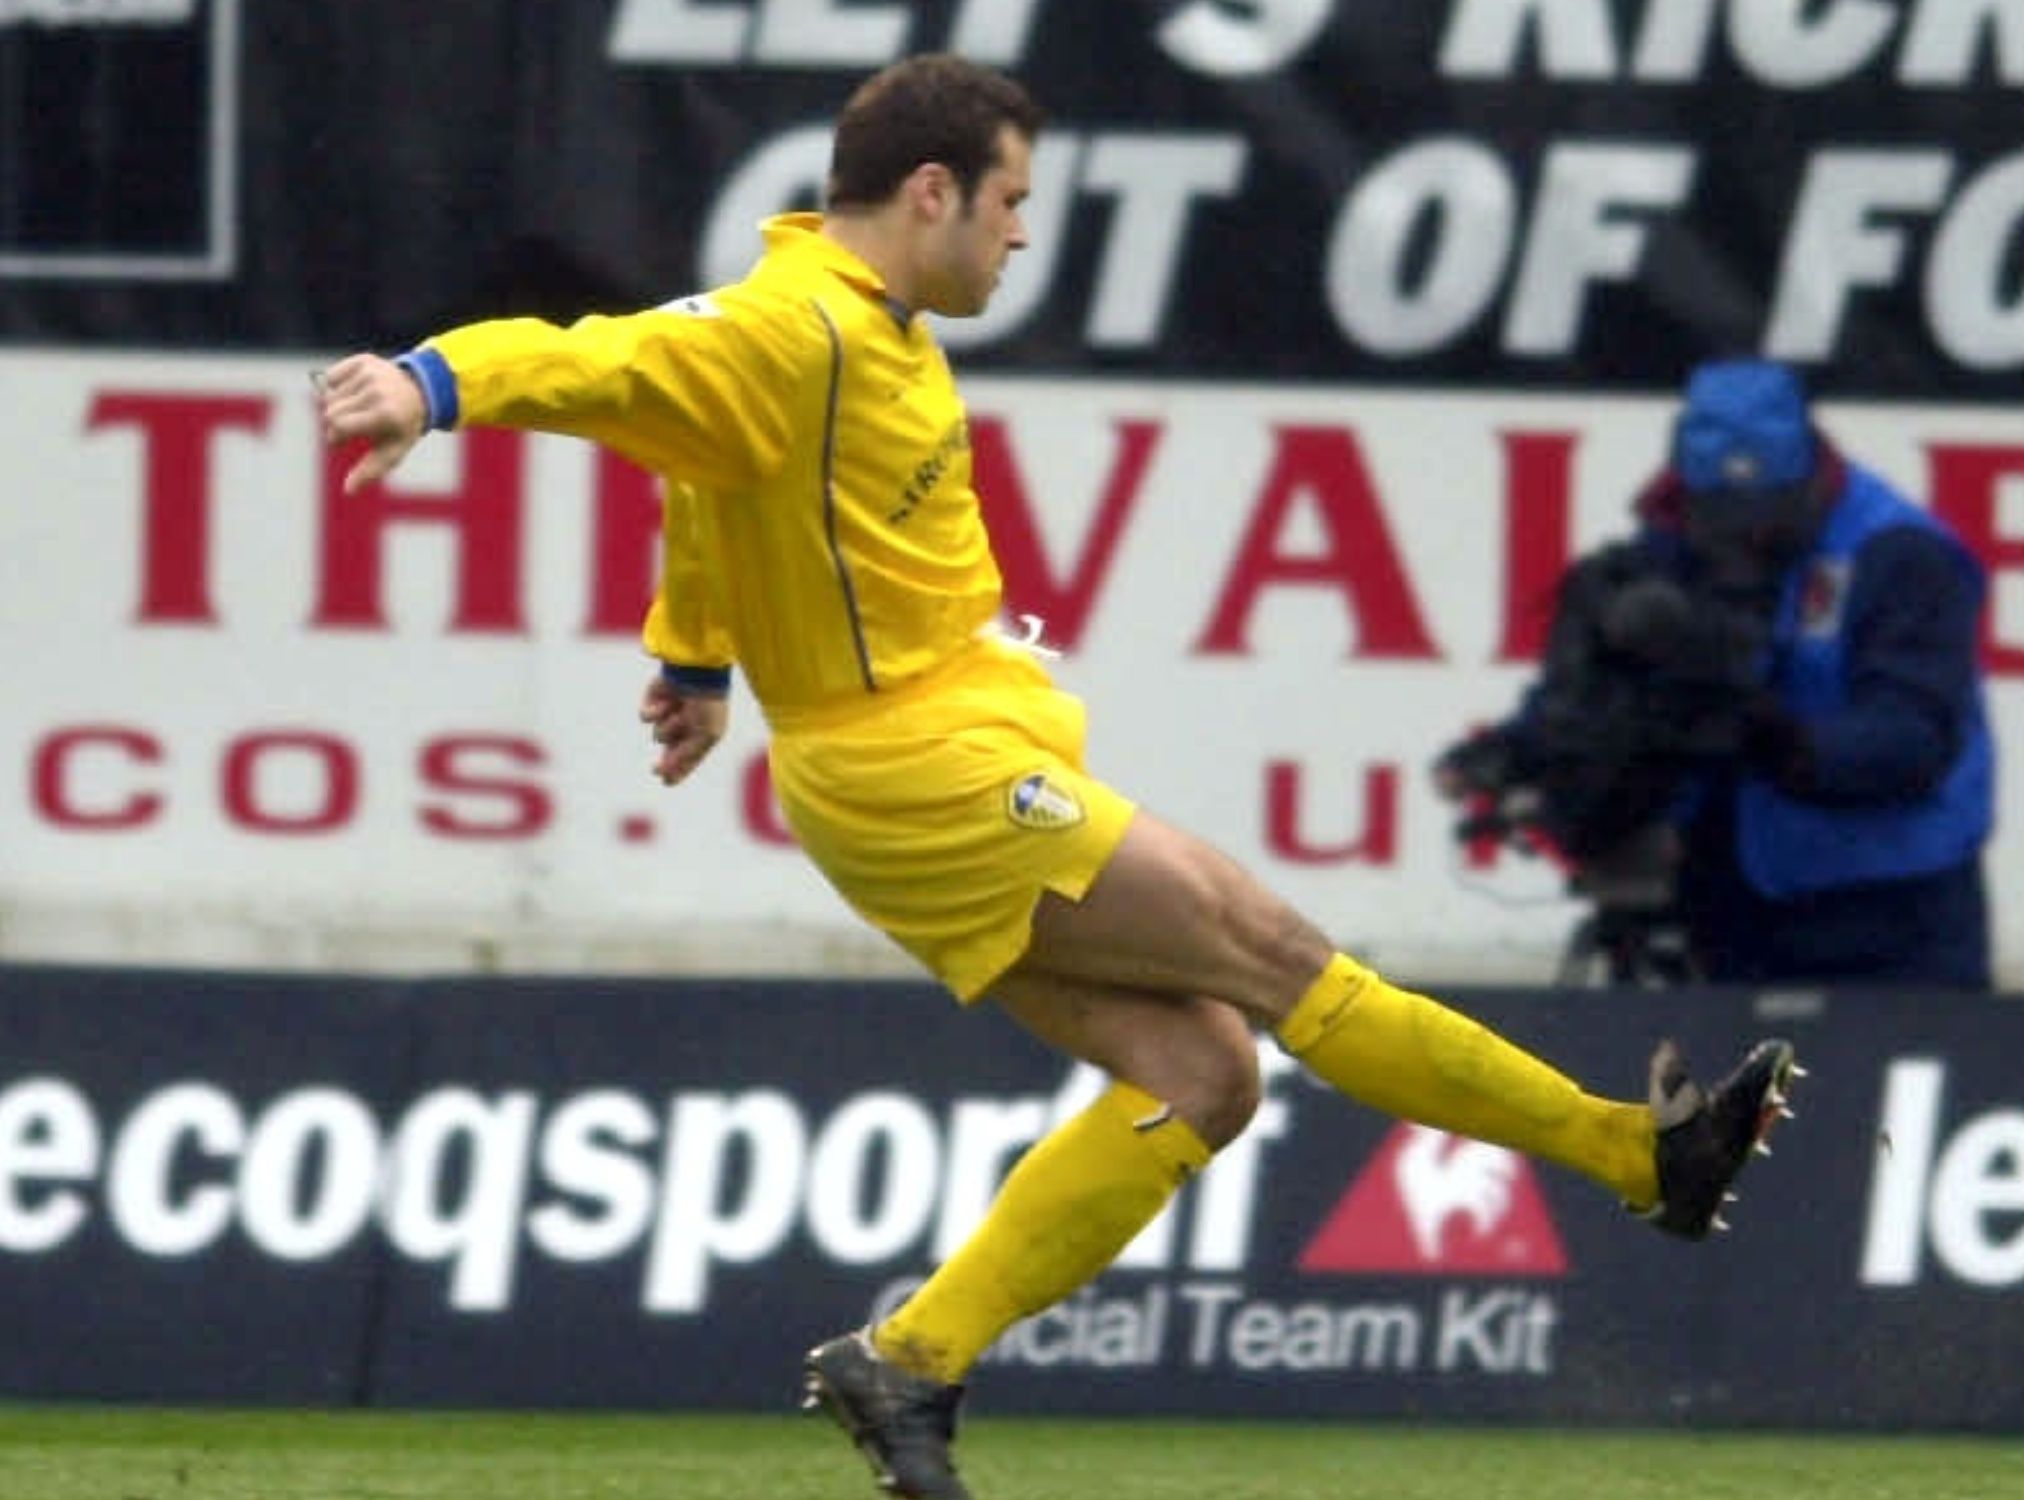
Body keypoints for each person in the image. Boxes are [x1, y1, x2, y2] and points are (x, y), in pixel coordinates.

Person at [312, 56, 1797, 1500]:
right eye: (1012, 202)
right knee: (1282, 960)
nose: (1024, 233)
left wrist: (698, 662)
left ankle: (911, 1356)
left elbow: (708, 471)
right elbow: (594, 359)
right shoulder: (794, 328)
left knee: (1204, 1076)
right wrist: (431, 384)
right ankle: (1631, 1156)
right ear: (934, 190)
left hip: (936, 750)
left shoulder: (857, 335)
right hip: (916, 767)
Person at [1437, 359, 1995, 989]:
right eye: (1724, 515)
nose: (1745, 539)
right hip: (1735, 901)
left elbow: (1914, 737)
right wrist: (1525, 749)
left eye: (1765, 514)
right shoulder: (1671, 541)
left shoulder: (1899, 554)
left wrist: (1781, 741)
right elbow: (1606, 685)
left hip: (1892, 903)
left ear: (1810, 474)